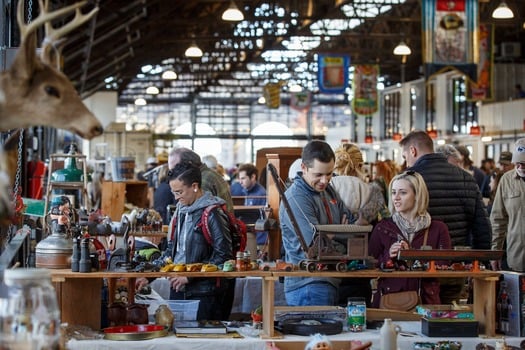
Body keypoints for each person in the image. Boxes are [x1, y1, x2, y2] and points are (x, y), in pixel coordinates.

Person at [399, 130, 491, 303]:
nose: (406, 163)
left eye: (405, 157)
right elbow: (481, 226)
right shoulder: (465, 178)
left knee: (418, 316)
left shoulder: (408, 180)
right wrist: (481, 264)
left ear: (413, 151)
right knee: (452, 315)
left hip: (418, 267)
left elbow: (398, 224)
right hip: (455, 266)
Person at [137, 162, 234, 320]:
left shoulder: (213, 214)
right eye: (174, 192)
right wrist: (149, 275)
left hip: (204, 295)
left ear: (195, 186)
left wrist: (189, 277)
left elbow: (224, 256)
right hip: (178, 289)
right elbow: (171, 253)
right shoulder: (181, 211)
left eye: (180, 192)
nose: (176, 198)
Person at [279, 140, 353, 306]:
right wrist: (342, 231)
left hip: (330, 280)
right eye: (318, 175)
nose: (325, 180)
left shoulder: (328, 190)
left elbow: (354, 228)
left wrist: (332, 234)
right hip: (308, 286)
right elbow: (316, 248)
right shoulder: (296, 198)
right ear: (304, 168)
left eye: (329, 174)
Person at [369, 171, 451, 307]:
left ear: (417, 195)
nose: (396, 198)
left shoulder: (438, 228)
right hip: (390, 301)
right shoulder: (382, 227)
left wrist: (414, 257)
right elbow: (370, 264)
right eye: (394, 192)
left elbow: (445, 265)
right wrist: (389, 256)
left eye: (402, 192)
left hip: (426, 301)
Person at [491, 138, 525, 272]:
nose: (520, 167)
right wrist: (495, 253)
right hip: (516, 256)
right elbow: (498, 220)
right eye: (518, 163)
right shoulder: (506, 180)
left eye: (524, 163)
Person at [168, 147, 234, 213]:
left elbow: (197, 215)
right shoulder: (210, 174)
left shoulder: (201, 181)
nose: (174, 174)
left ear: (189, 164)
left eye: (177, 168)